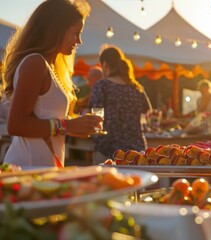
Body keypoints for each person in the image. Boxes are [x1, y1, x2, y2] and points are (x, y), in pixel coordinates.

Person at [0, 0, 101, 167]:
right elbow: (16, 124)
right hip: (27, 167)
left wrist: (76, 126)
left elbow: (44, 119)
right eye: (76, 33)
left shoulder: (48, 66)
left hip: (39, 167)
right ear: (56, 30)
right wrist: (68, 125)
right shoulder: (35, 63)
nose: (79, 41)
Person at [89, 46, 152, 164]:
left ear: (105, 64)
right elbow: (148, 111)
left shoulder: (102, 86)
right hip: (136, 151)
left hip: (108, 150)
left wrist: (95, 135)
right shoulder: (136, 87)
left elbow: (96, 118)